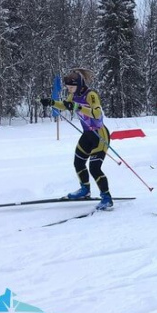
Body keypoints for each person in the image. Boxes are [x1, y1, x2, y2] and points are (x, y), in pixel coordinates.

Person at [40, 69, 114, 210]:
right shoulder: (73, 95)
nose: (70, 90)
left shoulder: (90, 95)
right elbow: (64, 105)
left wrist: (78, 107)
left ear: (79, 84)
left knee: (94, 168)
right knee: (78, 162)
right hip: (87, 135)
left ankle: (107, 198)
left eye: (72, 87)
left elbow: (97, 114)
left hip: (99, 135)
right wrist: (51, 102)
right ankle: (85, 190)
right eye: (68, 88)